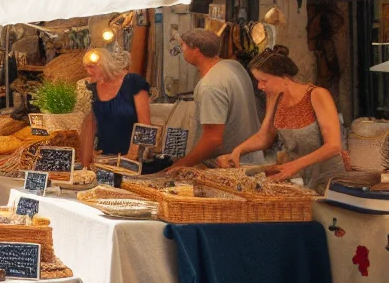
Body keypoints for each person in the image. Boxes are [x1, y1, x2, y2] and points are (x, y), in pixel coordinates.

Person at [217, 47, 346, 187]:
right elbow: (264, 137)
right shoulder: (274, 98)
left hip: (333, 182)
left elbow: (333, 146)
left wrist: (291, 167)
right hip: (306, 180)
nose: (260, 86)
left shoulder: (317, 95)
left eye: (264, 80)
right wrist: (238, 151)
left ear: (283, 77)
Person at [169, 28, 263, 170]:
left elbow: (212, 139)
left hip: (230, 167)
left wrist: (182, 165)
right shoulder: (233, 66)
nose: (182, 50)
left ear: (196, 50)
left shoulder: (210, 86)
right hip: (252, 159)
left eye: (183, 46)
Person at [76, 47, 151, 166]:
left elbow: (146, 126)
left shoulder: (133, 82)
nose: (89, 72)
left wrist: (132, 157)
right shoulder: (93, 87)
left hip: (131, 160)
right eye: (86, 68)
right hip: (103, 159)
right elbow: (90, 125)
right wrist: (86, 162)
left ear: (105, 64)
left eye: (92, 67)